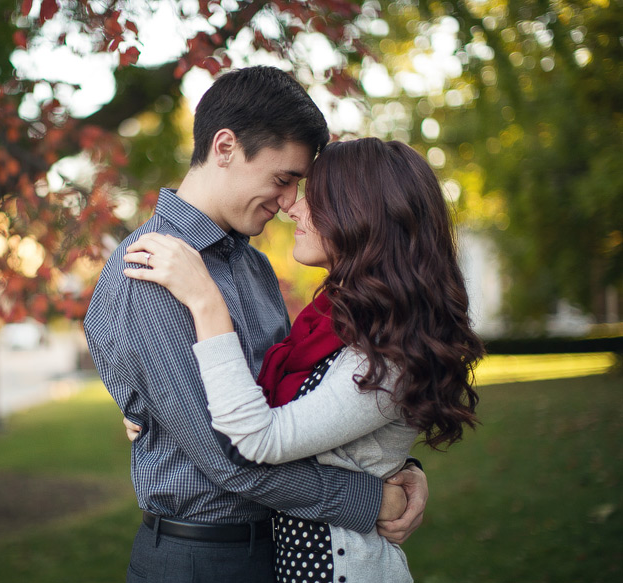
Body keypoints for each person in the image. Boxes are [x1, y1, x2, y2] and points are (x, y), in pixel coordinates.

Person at [84, 66, 428, 583]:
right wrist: (369, 498)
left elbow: (301, 412)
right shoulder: (150, 271)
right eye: (283, 179)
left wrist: (399, 467)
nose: (291, 201)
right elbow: (229, 460)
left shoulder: (252, 266)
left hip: (280, 549)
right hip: (202, 560)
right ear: (225, 147)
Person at [122, 137, 484, 582]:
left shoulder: (387, 356)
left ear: (361, 215)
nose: (293, 206)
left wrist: (207, 303)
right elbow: (313, 419)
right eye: (288, 183)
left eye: (314, 197)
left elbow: (259, 437)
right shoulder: (337, 322)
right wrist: (164, 411)